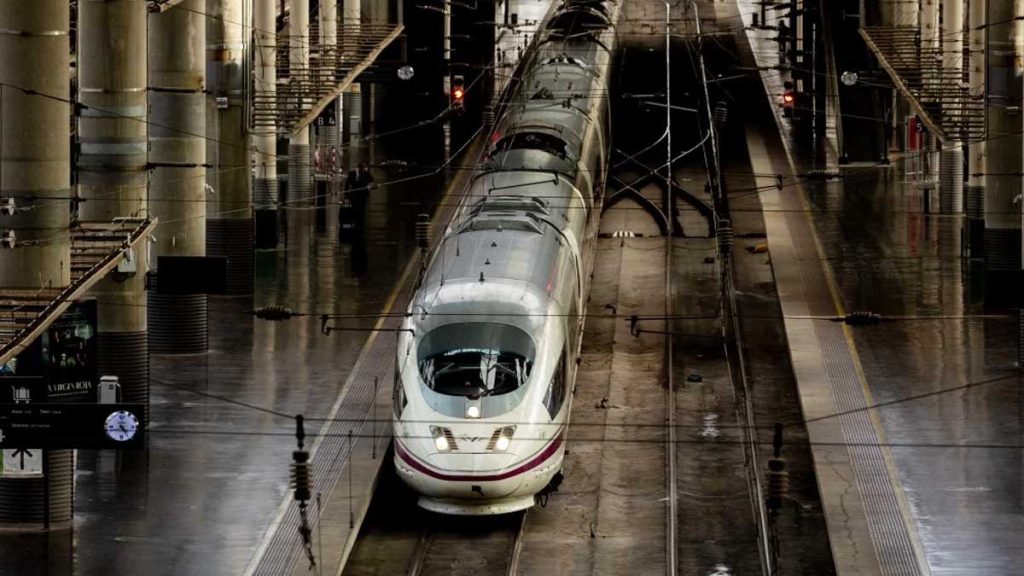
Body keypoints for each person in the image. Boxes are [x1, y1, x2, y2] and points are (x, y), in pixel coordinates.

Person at [344, 163, 374, 235]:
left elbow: (372, 180)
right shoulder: (352, 174)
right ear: (359, 168)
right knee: (354, 208)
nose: (362, 170)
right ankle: (355, 222)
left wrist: (369, 186)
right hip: (354, 194)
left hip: (363, 194)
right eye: (362, 169)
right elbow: (347, 184)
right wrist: (346, 195)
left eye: (363, 169)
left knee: (362, 209)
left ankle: (361, 223)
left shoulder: (366, 173)